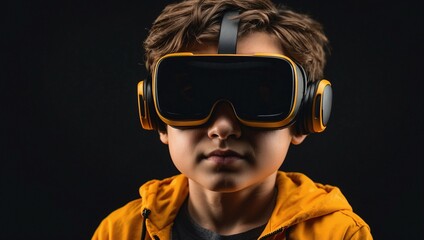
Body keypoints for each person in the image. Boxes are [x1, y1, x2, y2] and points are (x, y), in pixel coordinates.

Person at [92, 0, 373, 239]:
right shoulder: (121, 231)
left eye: (260, 98)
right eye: (190, 97)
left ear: (306, 115)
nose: (223, 128)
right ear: (154, 114)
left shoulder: (339, 234)